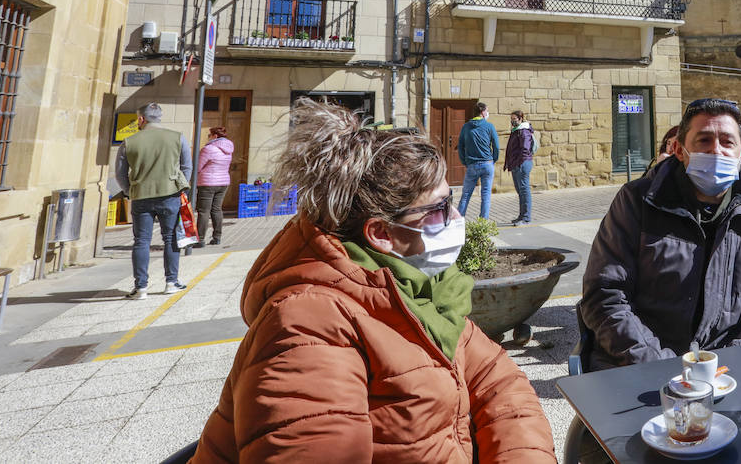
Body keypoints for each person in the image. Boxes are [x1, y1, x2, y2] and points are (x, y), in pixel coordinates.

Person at [190, 99, 555, 463]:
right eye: (440, 207)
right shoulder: (305, 328)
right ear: (381, 233)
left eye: (452, 200)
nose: (456, 217)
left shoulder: (423, 286)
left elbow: (500, 382)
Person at [580, 97, 741, 371]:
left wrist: (738, 358)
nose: (717, 151)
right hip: (645, 366)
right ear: (679, 149)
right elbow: (604, 294)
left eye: (727, 142)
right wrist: (659, 364)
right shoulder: (636, 201)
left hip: (733, 367)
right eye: (703, 141)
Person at [115, 103, 192, 299]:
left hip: (141, 195)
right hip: (170, 194)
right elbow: (187, 167)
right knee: (170, 238)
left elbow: (120, 173)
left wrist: (129, 190)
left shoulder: (129, 141)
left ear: (141, 119)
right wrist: (180, 186)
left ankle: (141, 287)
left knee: (141, 241)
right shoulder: (178, 137)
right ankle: (171, 282)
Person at [457, 102, 499, 219]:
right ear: (482, 112)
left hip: (472, 165)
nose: (487, 113)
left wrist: (464, 161)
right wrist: (493, 160)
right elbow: (496, 146)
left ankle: (459, 221)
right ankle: (483, 223)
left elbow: (460, 146)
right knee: (485, 195)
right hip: (487, 164)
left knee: (466, 195)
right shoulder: (489, 126)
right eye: (487, 110)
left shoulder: (466, 127)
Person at [195, 126, 233, 247]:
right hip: (223, 182)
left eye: (209, 135)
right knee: (216, 209)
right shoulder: (229, 149)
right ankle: (217, 237)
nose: (208, 137)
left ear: (215, 136)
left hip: (208, 183)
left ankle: (200, 239)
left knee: (203, 211)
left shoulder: (208, 149)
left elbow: (198, 166)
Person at [505, 109, 535, 226]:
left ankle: (526, 217)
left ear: (521, 119)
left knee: (524, 190)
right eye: (511, 119)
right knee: (520, 191)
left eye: (514, 119)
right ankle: (521, 216)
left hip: (522, 164)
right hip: (516, 164)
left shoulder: (524, 131)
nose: (512, 121)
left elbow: (525, 148)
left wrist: (519, 163)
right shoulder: (516, 130)